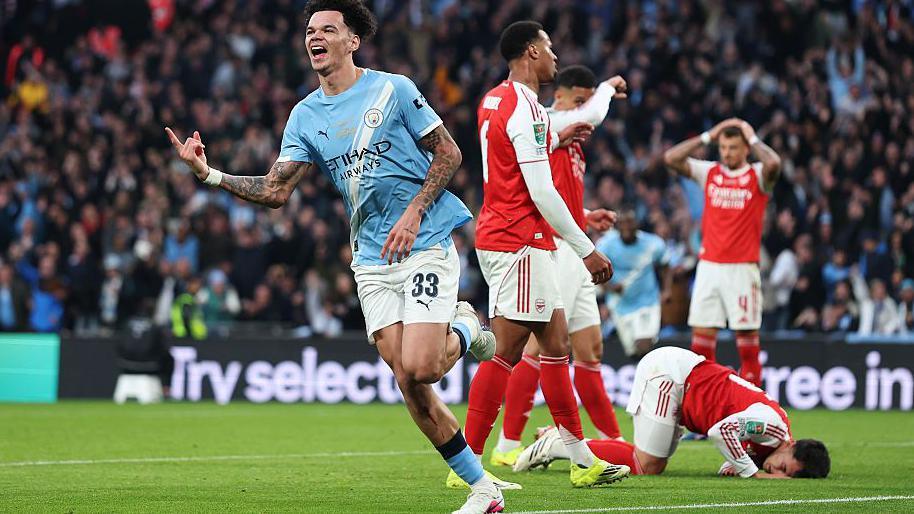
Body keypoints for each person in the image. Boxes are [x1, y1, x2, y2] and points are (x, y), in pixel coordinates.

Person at [164, 2, 501, 513]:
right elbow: (276, 190)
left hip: (424, 240)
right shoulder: (304, 115)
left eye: (327, 29)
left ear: (352, 41)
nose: (314, 37)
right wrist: (209, 175)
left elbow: (449, 153)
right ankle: (484, 489)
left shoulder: (394, 89)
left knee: (423, 367)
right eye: (309, 31)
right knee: (406, 380)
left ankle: (465, 328)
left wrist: (412, 212)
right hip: (370, 258)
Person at [459, 21, 629, 495]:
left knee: (555, 347)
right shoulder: (526, 107)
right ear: (532, 52)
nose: (556, 56)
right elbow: (540, 188)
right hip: (520, 239)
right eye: (550, 48)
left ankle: (581, 460)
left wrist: (554, 137)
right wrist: (587, 249)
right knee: (508, 352)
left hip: (508, 234)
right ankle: (466, 464)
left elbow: (513, 158)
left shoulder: (495, 99)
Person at [491, 65, 629, 466]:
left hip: (574, 242)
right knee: (541, 344)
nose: (585, 110)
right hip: (554, 248)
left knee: (590, 350)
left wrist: (584, 215)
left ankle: (612, 440)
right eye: (580, 100)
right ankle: (506, 446)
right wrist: (605, 87)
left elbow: (551, 194)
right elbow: (591, 116)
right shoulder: (545, 122)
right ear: (564, 97)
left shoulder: (572, 142)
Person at [513, 347, 831, 480]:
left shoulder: (773, 443)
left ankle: (563, 441)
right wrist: (751, 471)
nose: (776, 472)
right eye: (784, 468)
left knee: (651, 463)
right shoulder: (773, 428)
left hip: (683, 384)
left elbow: (727, 463)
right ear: (792, 445)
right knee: (647, 464)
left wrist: (744, 465)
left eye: (784, 475)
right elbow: (722, 431)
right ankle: (558, 443)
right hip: (673, 378)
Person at [663, 118, 782, 386]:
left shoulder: (758, 176)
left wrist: (752, 137)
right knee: (701, 348)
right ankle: (706, 410)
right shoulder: (711, 172)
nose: (727, 152)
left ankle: (753, 408)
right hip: (709, 267)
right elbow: (671, 158)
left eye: (733, 147)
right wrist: (707, 136)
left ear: (745, 150)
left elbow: (775, 164)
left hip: (742, 268)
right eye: (724, 147)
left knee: (748, 347)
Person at [597, 210, 671, 360]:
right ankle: (641, 379)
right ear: (617, 225)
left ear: (637, 224)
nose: (627, 227)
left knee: (644, 345)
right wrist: (610, 288)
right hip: (620, 305)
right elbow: (596, 272)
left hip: (647, 302)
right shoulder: (606, 245)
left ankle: (649, 379)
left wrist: (667, 290)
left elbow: (665, 265)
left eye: (630, 222)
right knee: (633, 353)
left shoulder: (653, 244)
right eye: (623, 223)